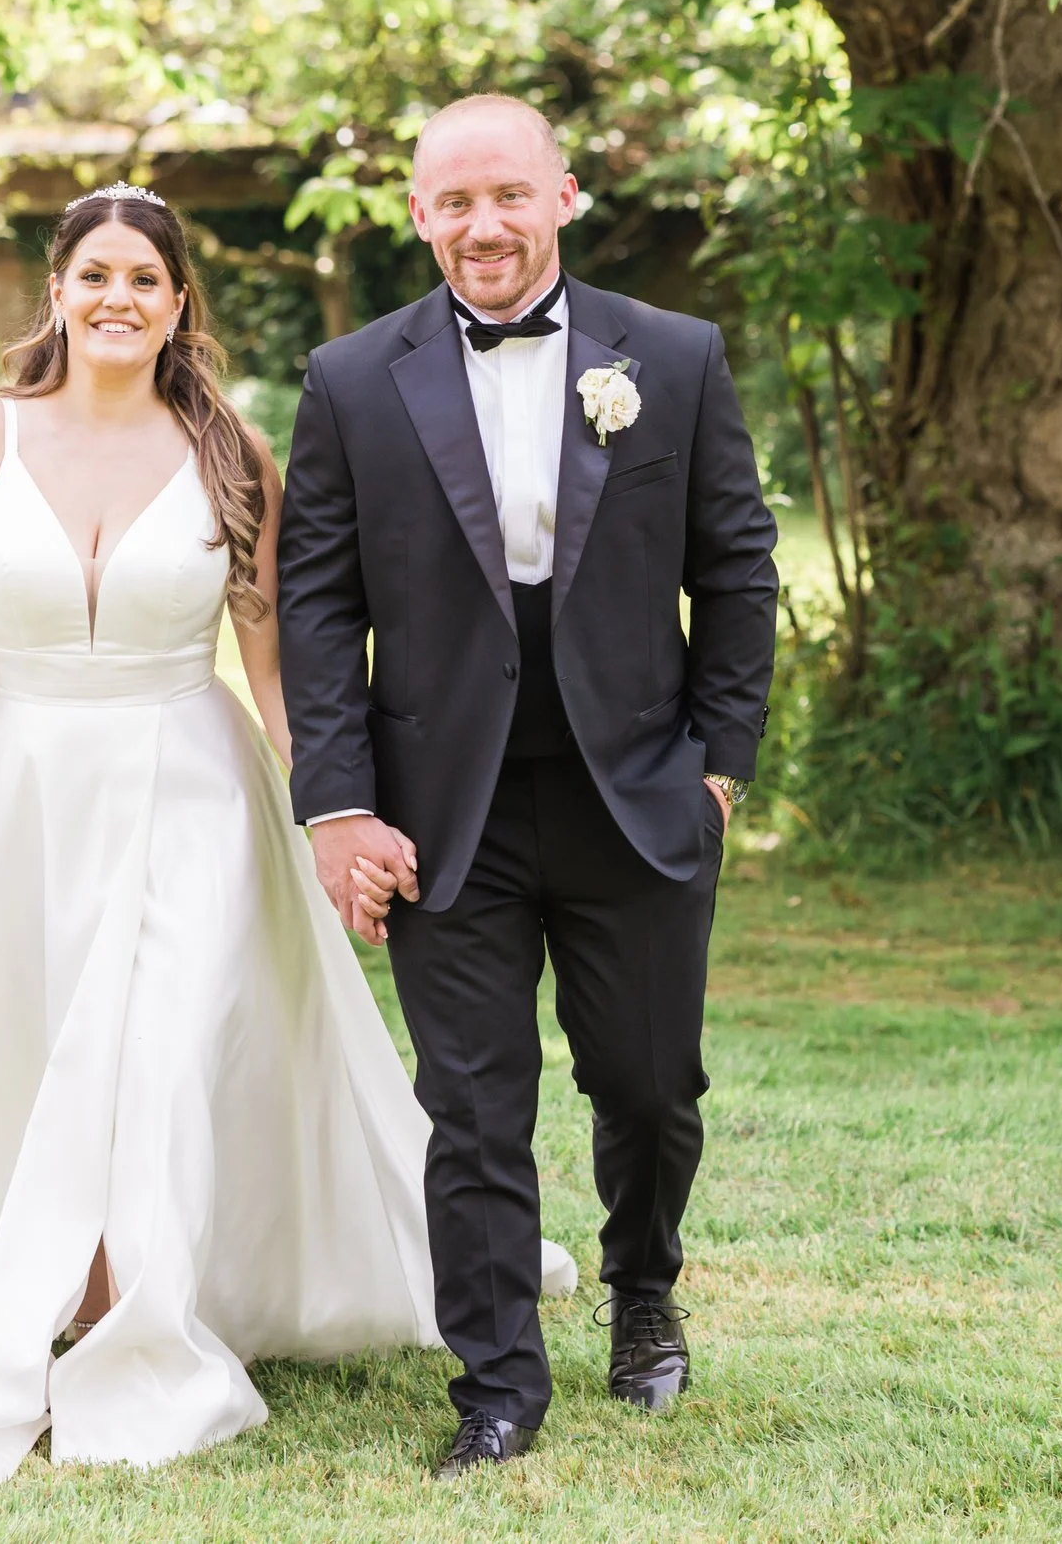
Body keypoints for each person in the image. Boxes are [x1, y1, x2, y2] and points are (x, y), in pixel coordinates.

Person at [0, 183, 571, 1485]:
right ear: (57, 292)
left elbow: (281, 669)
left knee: (157, 1042)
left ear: (177, 300)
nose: (118, 299)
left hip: (193, 783)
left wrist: (338, 815)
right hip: (28, 782)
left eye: (145, 278)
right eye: (96, 276)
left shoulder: (228, 452)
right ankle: (71, 1271)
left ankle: (137, 1302)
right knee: (32, 1036)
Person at [280, 96, 779, 1478]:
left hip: (640, 792)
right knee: (476, 1102)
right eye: (455, 201)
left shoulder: (670, 358)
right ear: (420, 213)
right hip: (444, 810)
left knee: (649, 1081)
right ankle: (497, 1383)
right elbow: (314, 606)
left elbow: (736, 566)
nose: (483, 225)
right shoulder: (353, 380)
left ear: (565, 196)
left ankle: (643, 1289)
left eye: (509, 194)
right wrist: (339, 801)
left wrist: (720, 768)